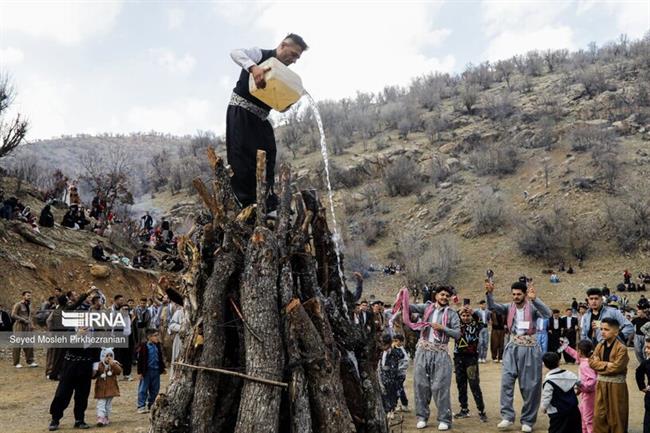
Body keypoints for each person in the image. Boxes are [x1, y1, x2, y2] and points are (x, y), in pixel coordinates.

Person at [227, 34, 308, 210]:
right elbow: (235, 52)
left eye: (297, 58)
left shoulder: (283, 74)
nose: (294, 60)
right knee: (242, 157)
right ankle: (247, 204)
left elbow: (279, 105)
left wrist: (288, 102)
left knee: (268, 154)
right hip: (241, 112)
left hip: (261, 118)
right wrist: (253, 68)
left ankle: (268, 202)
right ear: (283, 45)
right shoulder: (260, 55)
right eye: (293, 54)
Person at [486, 280, 552, 432]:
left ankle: (528, 420)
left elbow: (547, 314)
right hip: (512, 347)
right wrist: (489, 294)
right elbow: (492, 307)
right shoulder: (508, 307)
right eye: (514, 294)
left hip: (529, 348)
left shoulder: (533, 307)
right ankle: (507, 417)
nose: (516, 297)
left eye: (519, 294)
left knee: (530, 386)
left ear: (525, 295)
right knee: (506, 382)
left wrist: (535, 299)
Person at [392, 285, 460, 431]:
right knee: (421, 385)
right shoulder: (427, 308)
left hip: (441, 353)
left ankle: (444, 419)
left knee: (440, 387)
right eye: (442, 295)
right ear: (436, 296)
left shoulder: (452, 314)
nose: (444, 298)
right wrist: (402, 296)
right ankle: (422, 417)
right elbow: (409, 308)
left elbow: (457, 334)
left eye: (447, 296)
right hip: (423, 351)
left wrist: (443, 328)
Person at [588, 317, 629, 433]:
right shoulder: (599, 345)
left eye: (606, 329)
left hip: (616, 386)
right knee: (599, 415)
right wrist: (607, 365)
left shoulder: (622, 348)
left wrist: (599, 364)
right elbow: (591, 362)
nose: (602, 332)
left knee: (616, 416)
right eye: (601, 329)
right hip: (601, 384)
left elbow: (617, 367)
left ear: (616, 332)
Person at [453, 306, 487, 422]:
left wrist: (473, 312)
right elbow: (453, 317)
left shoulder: (476, 325)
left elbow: (482, 322)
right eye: (463, 316)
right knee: (461, 384)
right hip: (458, 358)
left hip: (471, 358)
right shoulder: (456, 325)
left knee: (474, 384)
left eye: (468, 316)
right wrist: (459, 310)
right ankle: (464, 409)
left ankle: (481, 410)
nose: (466, 318)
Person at [559, 338, 596, 433]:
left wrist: (580, 385)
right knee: (582, 416)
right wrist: (566, 347)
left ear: (580, 351)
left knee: (588, 418)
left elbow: (592, 381)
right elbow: (575, 354)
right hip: (586, 394)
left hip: (590, 395)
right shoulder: (587, 360)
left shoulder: (586, 365)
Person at [541, 352, 582, 433]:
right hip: (573, 410)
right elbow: (579, 382)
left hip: (557, 413)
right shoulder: (569, 374)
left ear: (545, 365)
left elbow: (546, 397)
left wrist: (543, 408)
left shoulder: (549, 381)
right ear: (558, 362)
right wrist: (578, 390)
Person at [379, 333, 409, 419]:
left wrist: (395, 348)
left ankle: (392, 409)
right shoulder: (381, 352)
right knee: (385, 393)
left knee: (394, 392)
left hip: (394, 376)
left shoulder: (396, 351)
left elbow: (403, 357)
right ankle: (388, 409)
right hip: (383, 375)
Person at [136, 329, 165, 413]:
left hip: (156, 371)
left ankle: (151, 404)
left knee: (155, 389)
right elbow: (140, 360)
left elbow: (160, 358)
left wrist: (162, 368)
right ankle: (141, 406)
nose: (157, 337)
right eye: (155, 336)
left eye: (157, 335)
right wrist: (140, 372)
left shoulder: (158, 345)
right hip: (147, 372)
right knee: (143, 389)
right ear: (149, 337)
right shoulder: (144, 347)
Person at [93, 348, 122, 426]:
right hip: (101, 388)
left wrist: (113, 364)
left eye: (111, 355)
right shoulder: (99, 364)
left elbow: (119, 371)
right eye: (107, 356)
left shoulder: (114, 364)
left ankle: (106, 416)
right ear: (102, 356)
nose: (109, 357)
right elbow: (93, 375)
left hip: (111, 388)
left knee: (108, 405)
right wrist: (94, 371)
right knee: (101, 403)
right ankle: (100, 418)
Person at [11, 290, 38, 368]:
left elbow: (30, 316)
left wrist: (31, 324)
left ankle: (30, 361)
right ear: (23, 296)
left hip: (27, 326)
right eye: (27, 295)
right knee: (17, 344)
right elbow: (13, 315)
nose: (29, 297)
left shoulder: (29, 305)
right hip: (19, 325)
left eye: (30, 296)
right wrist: (22, 319)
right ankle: (16, 363)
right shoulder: (18, 305)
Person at [635, 337, 650, 433]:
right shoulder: (647, 363)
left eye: (649, 348)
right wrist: (642, 387)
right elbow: (638, 372)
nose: (646, 350)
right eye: (646, 347)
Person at [633, 299, 650, 364]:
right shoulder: (636, 319)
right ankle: (642, 363)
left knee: (645, 350)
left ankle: (646, 362)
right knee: (637, 350)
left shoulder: (648, 318)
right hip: (637, 335)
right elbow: (629, 324)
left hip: (646, 336)